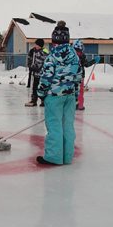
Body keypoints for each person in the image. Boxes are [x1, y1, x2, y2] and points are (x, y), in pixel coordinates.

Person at [36, 21, 82, 165]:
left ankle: (54, 157)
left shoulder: (52, 56)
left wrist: (41, 93)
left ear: (54, 40)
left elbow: (46, 77)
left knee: (54, 125)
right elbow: (78, 76)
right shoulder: (75, 56)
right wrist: (75, 95)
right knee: (67, 125)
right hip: (69, 95)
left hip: (54, 96)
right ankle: (67, 157)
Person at [73, 39, 100, 110]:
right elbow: (86, 64)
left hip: (70, 76)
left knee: (72, 91)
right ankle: (80, 105)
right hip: (80, 76)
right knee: (80, 91)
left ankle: (72, 105)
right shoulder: (82, 55)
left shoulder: (70, 54)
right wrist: (94, 60)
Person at [25, 39, 49, 107]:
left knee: (42, 87)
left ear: (40, 45)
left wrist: (38, 68)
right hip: (35, 73)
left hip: (42, 74)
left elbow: (45, 62)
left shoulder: (44, 51)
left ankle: (43, 100)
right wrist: (30, 66)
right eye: (35, 44)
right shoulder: (34, 51)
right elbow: (30, 59)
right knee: (34, 87)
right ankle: (34, 100)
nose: (35, 46)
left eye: (37, 45)